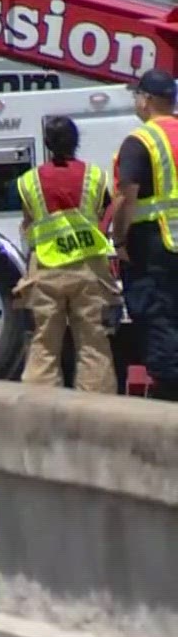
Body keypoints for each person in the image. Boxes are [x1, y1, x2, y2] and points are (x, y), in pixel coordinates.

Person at [13, 115, 118, 393]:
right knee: (94, 344)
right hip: (88, 268)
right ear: (76, 142)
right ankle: (97, 413)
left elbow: (28, 223)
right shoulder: (95, 176)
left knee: (44, 344)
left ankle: (41, 411)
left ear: (47, 144)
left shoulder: (29, 181)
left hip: (46, 268)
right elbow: (106, 211)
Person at [109, 68, 178, 401]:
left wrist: (118, 240)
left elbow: (126, 196)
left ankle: (168, 399)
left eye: (137, 95)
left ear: (148, 100)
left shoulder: (141, 141)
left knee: (158, 320)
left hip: (155, 249)